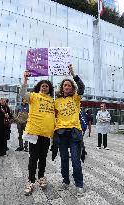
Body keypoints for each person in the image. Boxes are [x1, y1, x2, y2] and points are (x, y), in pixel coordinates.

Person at [20, 71, 55, 196]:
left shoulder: (52, 100)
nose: (44, 87)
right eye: (42, 85)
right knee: (33, 158)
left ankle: (41, 177)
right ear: (39, 87)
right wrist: (25, 79)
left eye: (47, 86)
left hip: (46, 134)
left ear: (49, 88)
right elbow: (22, 93)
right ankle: (30, 181)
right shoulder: (33, 96)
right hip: (34, 132)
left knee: (43, 158)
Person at [54, 64, 85, 196]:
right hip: (61, 133)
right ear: (62, 88)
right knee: (64, 160)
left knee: (76, 161)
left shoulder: (76, 98)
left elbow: (82, 87)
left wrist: (73, 73)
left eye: (69, 85)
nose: (67, 87)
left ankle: (79, 185)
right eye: (65, 85)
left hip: (74, 133)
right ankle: (65, 182)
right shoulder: (57, 101)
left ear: (72, 88)